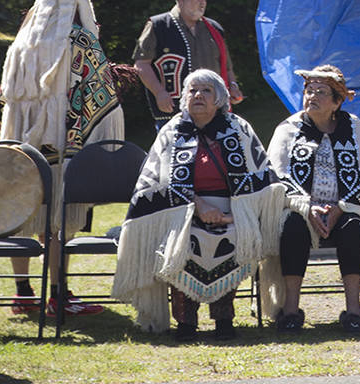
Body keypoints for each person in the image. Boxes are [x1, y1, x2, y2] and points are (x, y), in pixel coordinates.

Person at [0, 0, 124, 317]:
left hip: (18, 144)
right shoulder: (79, 39)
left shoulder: (22, 41)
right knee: (58, 215)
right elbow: (100, 97)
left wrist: (0, 138)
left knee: (23, 212)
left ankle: (24, 291)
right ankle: (59, 294)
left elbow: (4, 96)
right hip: (62, 143)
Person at [112, 69, 284, 339]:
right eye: (192, 90)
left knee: (235, 237)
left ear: (220, 99)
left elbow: (262, 177)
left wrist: (232, 215)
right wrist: (199, 207)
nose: (198, 95)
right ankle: (185, 322)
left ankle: (224, 319)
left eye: (206, 90)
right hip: (180, 211)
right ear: (183, 97)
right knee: (182, 241)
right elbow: (156, 181)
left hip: (233, 211)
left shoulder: (238, 129)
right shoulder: (172, 131)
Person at [262, 65, 360, 333]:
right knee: (292, 227)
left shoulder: (355, 129)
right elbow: (277, 179)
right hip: (300, 209)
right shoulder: (288, 129)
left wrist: (341, 207)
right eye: (309, 91)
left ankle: (353, 310)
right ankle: (290, 310)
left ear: (337, 101)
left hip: (346, 208)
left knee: (353, 227)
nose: (312, 96)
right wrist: (307, 207)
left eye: (321, 92)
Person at [133, 0, 244, 132]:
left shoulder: (214, 28)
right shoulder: (158, 26)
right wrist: (159, 93)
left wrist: (232, 86)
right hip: (174, 114)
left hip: (213, 113)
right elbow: (141, 64)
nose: (203, 2)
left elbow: (227, 67)